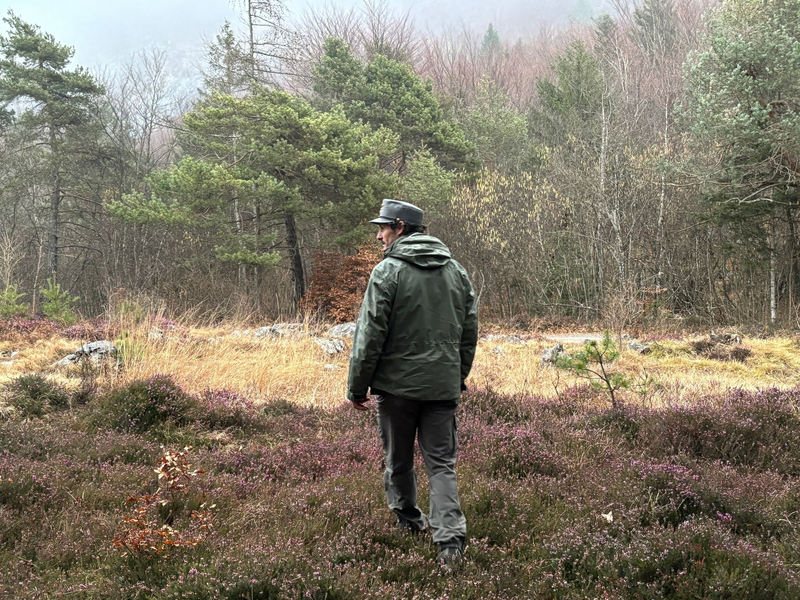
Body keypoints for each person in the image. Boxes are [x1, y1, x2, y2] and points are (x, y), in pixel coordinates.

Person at [347, 198, 479, 567]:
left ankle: (408, 520)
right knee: (441, 464)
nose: (379, 235)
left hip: (396, 389)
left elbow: (369, 335)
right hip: (442, 387)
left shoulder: (387, 272)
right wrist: (456, 376)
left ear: (400, 228)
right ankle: (450, 543)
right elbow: (469, 334)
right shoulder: (457, 271)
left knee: (398, 458)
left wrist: (357, 387)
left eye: (383, 227)